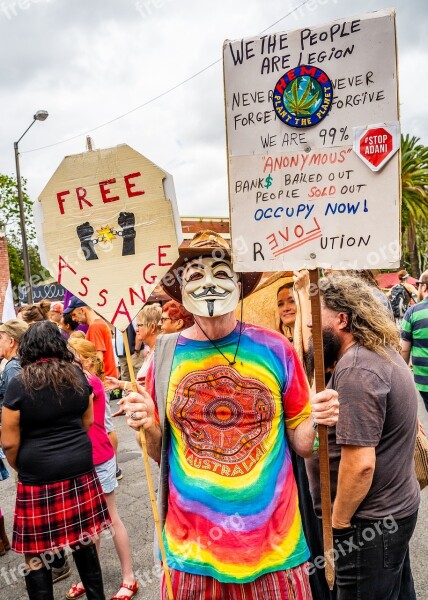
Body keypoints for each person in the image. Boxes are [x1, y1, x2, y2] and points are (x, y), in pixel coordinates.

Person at [122, 230, 339, 599]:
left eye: (221, 273)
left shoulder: (276, 347)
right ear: (182, 289)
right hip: (192, 552)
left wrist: (318, 419)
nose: (209, 283)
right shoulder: (164, 354)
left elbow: (304, 445)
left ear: (238, 284)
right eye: (196, 275)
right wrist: (147, 425)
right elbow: (159, 452)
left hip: (273, 549)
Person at [306, 274, 420, 599]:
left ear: (342, 319)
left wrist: (340, 523)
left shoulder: (357, 368)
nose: (314, 328)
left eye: (319, 317)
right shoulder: (378, 352)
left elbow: (360, 466)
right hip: (391, 515)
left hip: (368, 524)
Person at [1, 320, 110, 600]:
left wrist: (21, 464)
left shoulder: (18, 383)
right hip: (79, 469)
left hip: (37, 475)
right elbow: (87, 420)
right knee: (83, 541)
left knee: (35, 553)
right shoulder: (77, 374)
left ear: (27, 347)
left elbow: (9, 440)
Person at [67, 338, 138, 600]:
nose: (67, 360)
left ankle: (129, 577)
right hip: (83, 459)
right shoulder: (78, 381)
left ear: (83, 360)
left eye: (71, 355)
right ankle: (88, 576)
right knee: (88, 523)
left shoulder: (90, 382)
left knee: (110, 518)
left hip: (99, 456)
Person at [0, 319, 28, 558]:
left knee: (30, 503)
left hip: (22, 441)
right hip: (28, 439)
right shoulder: (20, 363)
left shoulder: (11, 368)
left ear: (11, 341)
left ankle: (52, 560)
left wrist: (15, 457)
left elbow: (15, 409)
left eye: (0, 337)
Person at [64, 297, 118, 378]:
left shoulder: (95, 326)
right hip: (108, 380)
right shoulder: (99, 323)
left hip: (106, 382)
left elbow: (98, 359)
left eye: (73, 314)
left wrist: (94, 382)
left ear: (82, 310)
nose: (73, 319)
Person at [401, 269, 428, 411]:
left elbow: (404, 349)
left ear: (424, 287)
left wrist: (402, 376)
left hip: (425, 380)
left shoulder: (413, 312)